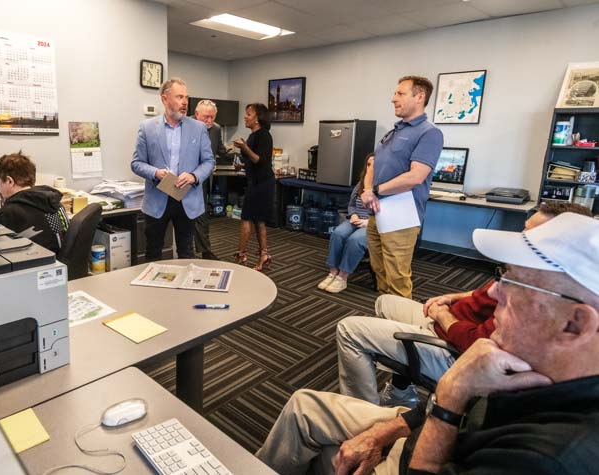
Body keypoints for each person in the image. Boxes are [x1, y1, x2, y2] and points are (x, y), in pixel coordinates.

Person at [257, 211, 599, 475]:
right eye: (502, 277)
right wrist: (382, 432)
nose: (496, 292)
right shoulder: (532, 361)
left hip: (425, 450)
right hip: (430, 426)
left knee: (326, 450)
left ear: (575, 323)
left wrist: (451, 393)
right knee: (304, 406)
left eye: (517, 286)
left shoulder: (550, 457)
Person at [336, 201, 593, 408]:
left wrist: (443, 315)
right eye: (523, 231)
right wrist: (454, 298)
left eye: (531, 237)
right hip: (447, 320)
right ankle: (402, 393)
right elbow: (486, 293)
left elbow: (475, 342)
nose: (521, 238)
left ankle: (362, 414)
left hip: (452, 345)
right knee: (385, 302)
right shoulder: (526, 278)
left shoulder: (533, 305)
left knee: (348, 329)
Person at [361, 76, 443, 299]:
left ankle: (399, 328)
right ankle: (385, 322)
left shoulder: (429, 133)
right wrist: (368, 191)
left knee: (397, 278)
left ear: (419, 97)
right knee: (379, 272)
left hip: (401, 215)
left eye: (400, 93)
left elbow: (416, 176)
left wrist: (376, 191)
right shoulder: (395, 130)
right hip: (377, 212)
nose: (393, 99)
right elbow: (372, 164)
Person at [131, 78, 214, 261]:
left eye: (186, 97)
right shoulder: (147, 128)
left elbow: (208, 161)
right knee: (153, 252)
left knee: (186, 253)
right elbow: (136, 163)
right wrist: (156, 173)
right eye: (179, 97)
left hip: (188, 199)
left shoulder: (199, 128)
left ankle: (185, 289)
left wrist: (194, 176)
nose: (185, 102)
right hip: (157, 199)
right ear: (164, 99)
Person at [317, 154, 374, 294]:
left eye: (375, 165)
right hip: (355, 219)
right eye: (368, 164)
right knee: (338, 233)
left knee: (355, 240)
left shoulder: (383, 186)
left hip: (372, 224)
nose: (371, 168)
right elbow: (351, 204)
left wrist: (368, 222)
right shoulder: (361, 184)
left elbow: (386, 212)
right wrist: (353, 215)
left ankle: (342, 277)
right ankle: (333, 272)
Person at [0, 151, 69, 254]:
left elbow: (1, 250)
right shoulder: (52, 200)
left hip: (37, 265)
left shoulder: (10, 211)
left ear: (10, 181)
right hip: (58, 260)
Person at [232, 103, 275, 271]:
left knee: (247, 218)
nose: (245, 116)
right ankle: (264, 255)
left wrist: (244, 148)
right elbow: (252, 162)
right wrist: (242, 167)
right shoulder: (252, 136)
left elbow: (260, 160)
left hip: (262, 184)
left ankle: (241, 254)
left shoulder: (264, 135)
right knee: (258, 220)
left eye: (248, 114)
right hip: (256, 182)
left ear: (257, 118)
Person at [193, 99, 228, 260]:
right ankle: (187, 251)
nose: (209, 121)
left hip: (204, 178)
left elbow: (220, 150)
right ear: (196, 114)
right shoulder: (185, 126)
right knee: (184, 217)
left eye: (212, 117)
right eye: (205, 117)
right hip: (185, 178)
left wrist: (241, 152)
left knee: (202, 214)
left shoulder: (216, 129)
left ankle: (205, 250)